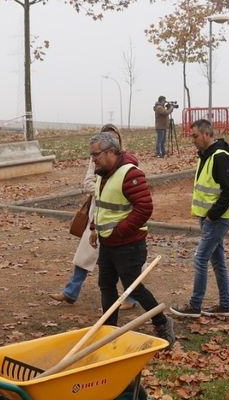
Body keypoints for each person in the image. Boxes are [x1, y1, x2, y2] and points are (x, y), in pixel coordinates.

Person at [88, 130, 176, 344]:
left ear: (111, 152)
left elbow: (144, 208)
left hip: (128, 245)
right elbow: (103, 205)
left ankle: (162, 323)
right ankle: (109, 333)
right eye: (91, 156)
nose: (93, 161)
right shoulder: (104, 174)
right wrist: (94, 227)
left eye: (96, 156)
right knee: (106, 286)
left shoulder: (130, 174)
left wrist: (120, 231)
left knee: (133, 287)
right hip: (108, 243)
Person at [50, 123, 137, 309]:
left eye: (112, 139)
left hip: (119, 216)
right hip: (97, 214)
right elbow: (88, 183)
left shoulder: (127, 161)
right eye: (105, 138)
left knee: (123, 260)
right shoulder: (95, 160)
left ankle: (131, 297)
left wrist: (110, 189)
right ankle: (70, 292)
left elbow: (132, 191)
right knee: (85, 255)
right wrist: (104, 189)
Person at [170, 118, 229, 319]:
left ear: (207, 134)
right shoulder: (205, 155)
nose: (193, 140)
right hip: (209, 218)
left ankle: (195, 305)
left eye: (195, 136)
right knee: (218, 261)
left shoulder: (220, 157)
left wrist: (212, 215)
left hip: (217, 219)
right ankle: (225, 305)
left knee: (200, 258)